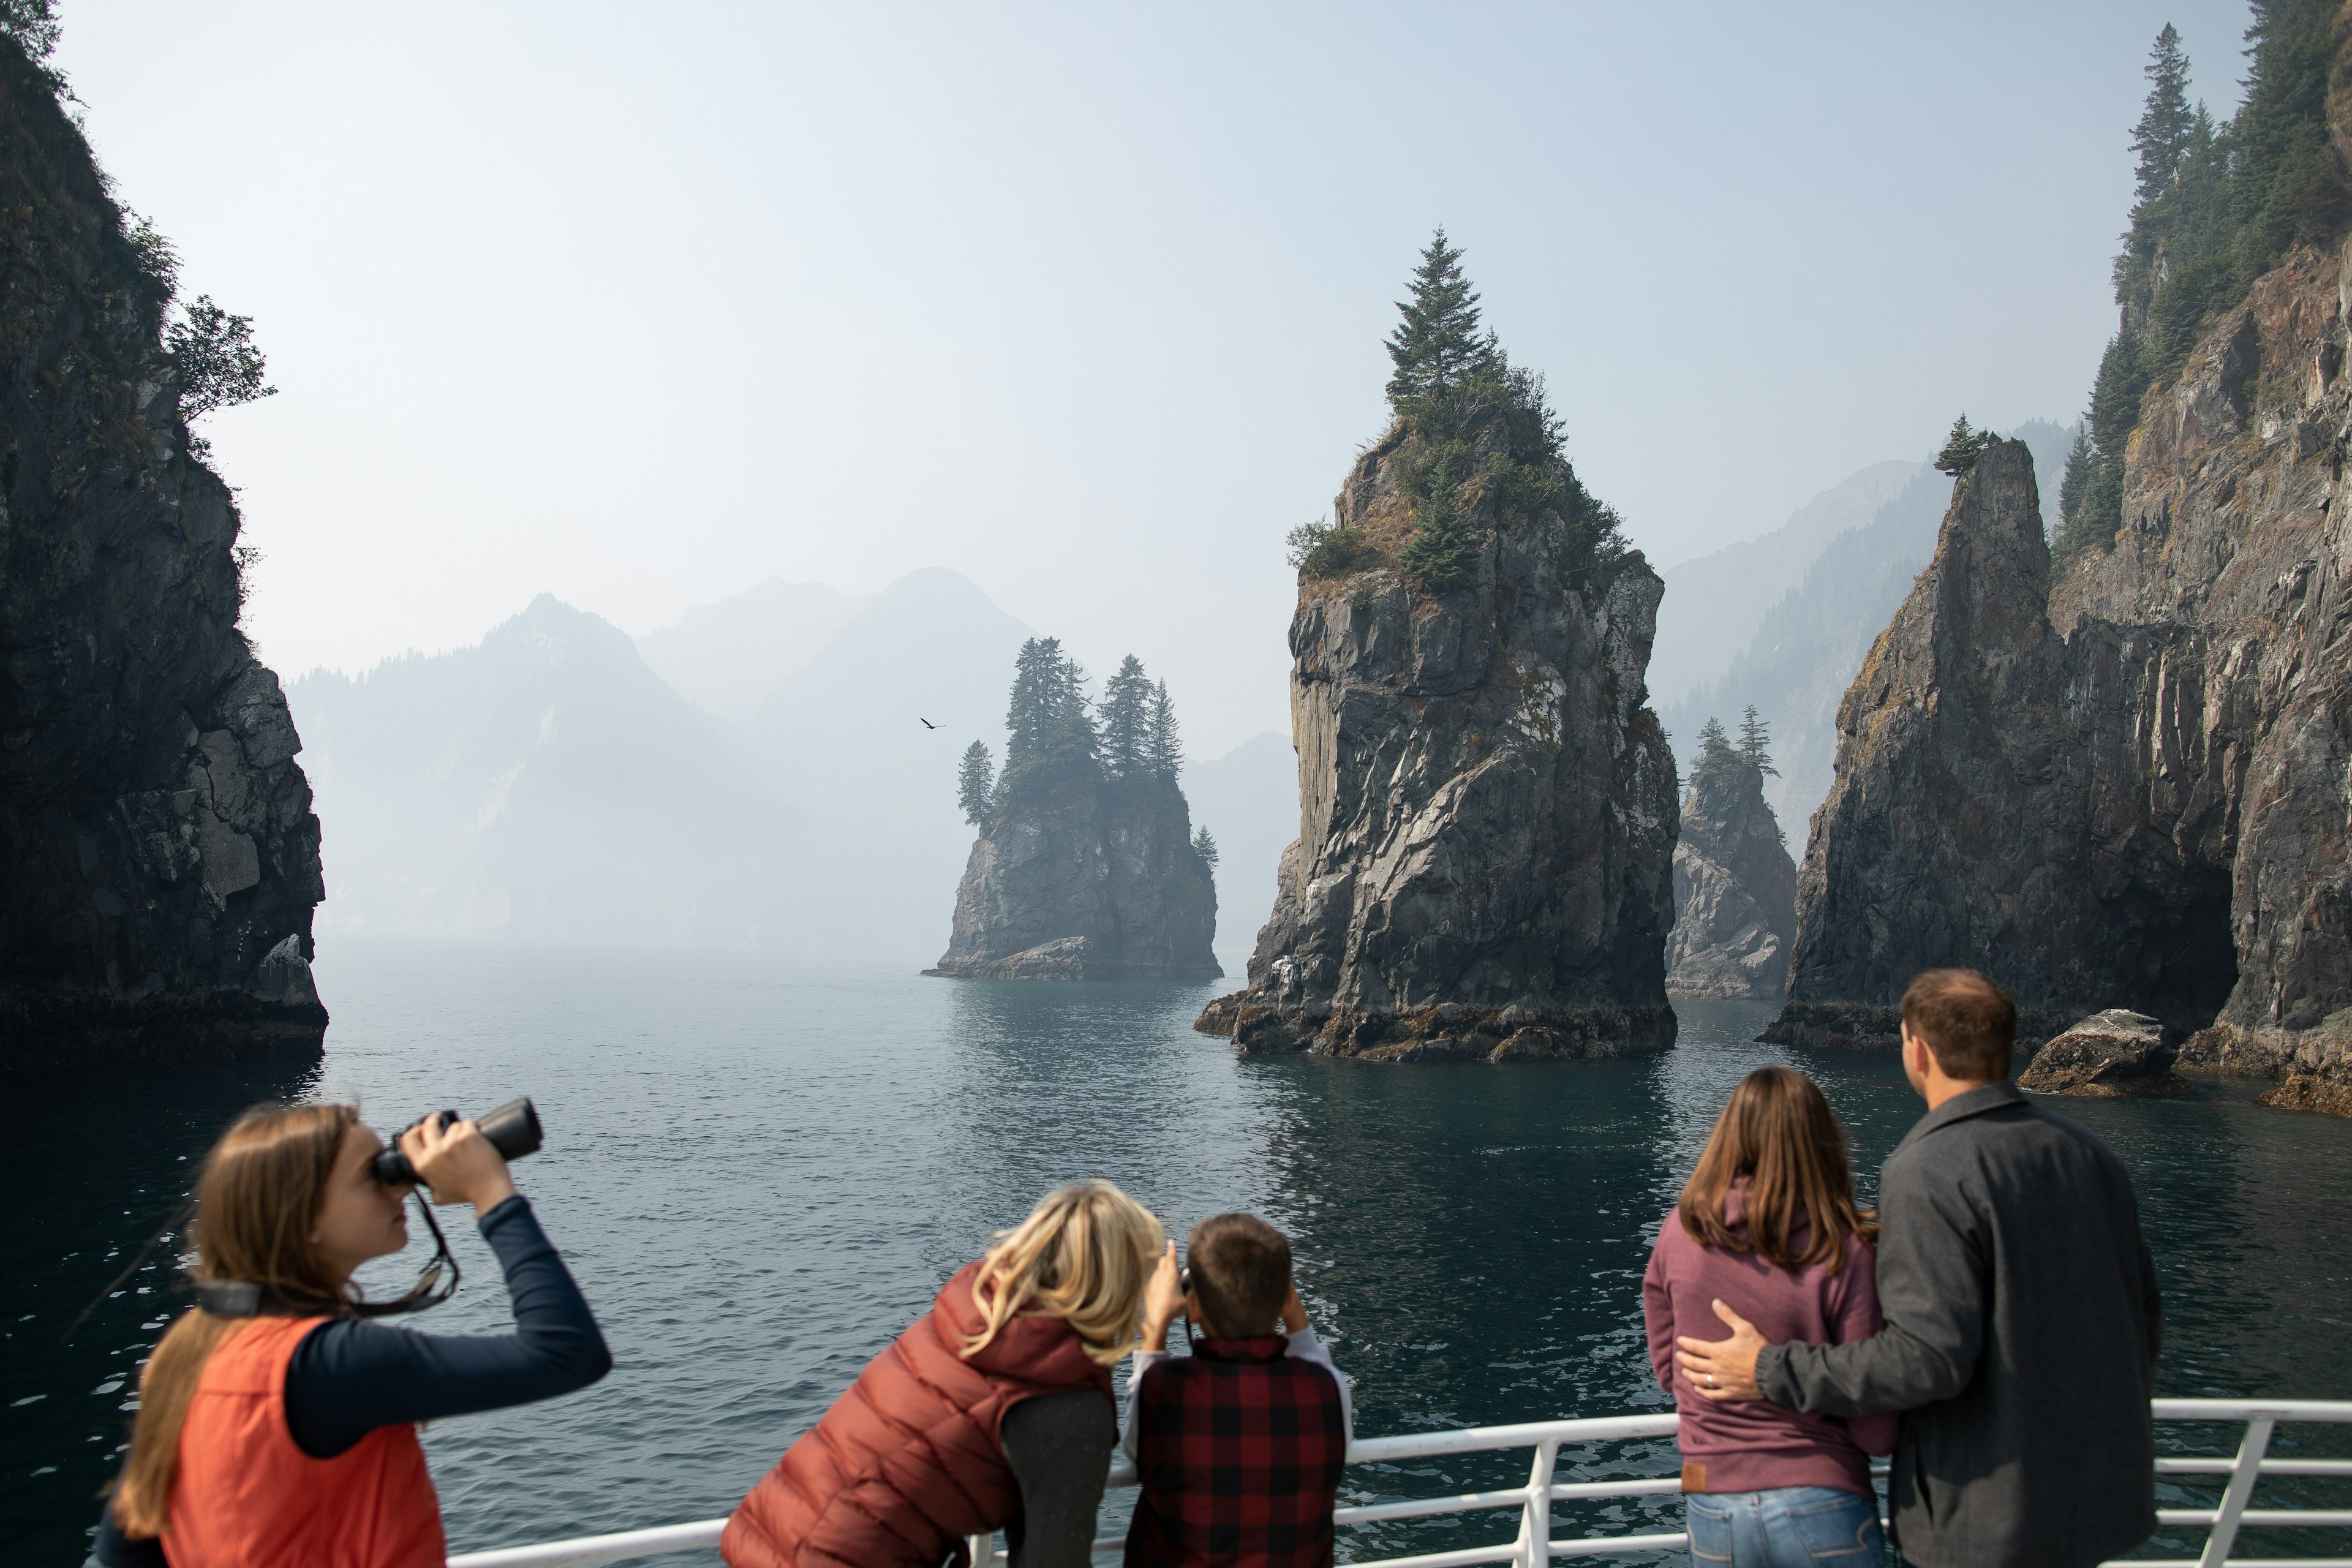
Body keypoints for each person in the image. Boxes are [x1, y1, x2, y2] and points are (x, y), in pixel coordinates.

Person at [1676, 970, 2163, 1568]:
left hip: (1981, 1516)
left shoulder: (1928, 1168)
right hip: (2092, 1504)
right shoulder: (2094, 1159)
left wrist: (1770, 1367)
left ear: (1918, 1049)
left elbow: (1927, 1358)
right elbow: (2140, 1318)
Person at [92, 1100, 611, 1568]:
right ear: (304, 1219)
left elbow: (123, 1552)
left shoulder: (190, 1350)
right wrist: (492, 1194)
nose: (403, 1185)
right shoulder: (330, 1363)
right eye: (374, 1175)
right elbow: (567, 1351)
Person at [723, 1180, 1163, 1568]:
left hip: (776, 1533)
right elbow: (1055, 1559)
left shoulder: (969, 1322)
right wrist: (1152, 1334)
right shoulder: (1066, 1405)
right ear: (1121, 1284)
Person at [1642, 1066, 1896, 1566]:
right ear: (1821, 1141)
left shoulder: (1681, 1232)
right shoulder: (1843, 1248)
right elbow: (1876, 1429)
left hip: (1713, 1502)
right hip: (1823, 1497)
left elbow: (1671, 1371)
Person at [1122, 1212, 1352, 1568]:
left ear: (1192, 1306)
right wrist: (1289, 1306)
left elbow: (1138, 1451)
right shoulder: (1327, 1390)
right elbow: (1317, 1362)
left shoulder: (1161, 1391)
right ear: (1287, 1300)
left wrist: (1156, 1324)